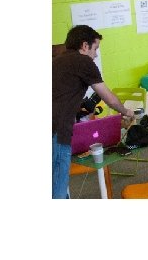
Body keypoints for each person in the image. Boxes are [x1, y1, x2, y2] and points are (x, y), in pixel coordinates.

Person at [52, 25, 135, 199]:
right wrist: (126, 112)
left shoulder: (57, 61)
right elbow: (109, 99)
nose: (96, 54)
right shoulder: (84, 62)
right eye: (95, 48)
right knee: (58, 187)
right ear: (85, 45)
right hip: (57, 130)